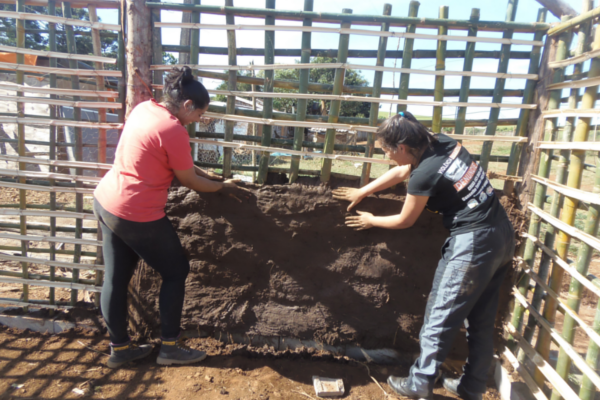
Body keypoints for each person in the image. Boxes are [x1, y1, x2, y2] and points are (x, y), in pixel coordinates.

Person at [332, 111, 515, 400]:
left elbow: (405, 220)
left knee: (439, 316)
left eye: (386, 151)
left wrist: (370, 221)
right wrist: (363, 190)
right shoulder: (440, 143)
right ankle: (473, 386)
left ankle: (419, 383)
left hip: (473, 244)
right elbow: (405, 171)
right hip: (501, 234)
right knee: (480, 319)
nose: (386, 156)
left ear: (402, 147)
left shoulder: (426, 173)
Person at [94, 66, 244, 368]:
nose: (198, 120)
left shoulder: (145, 109)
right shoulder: (173, 129)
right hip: (137, 212)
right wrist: (221, 187)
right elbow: (189, 180)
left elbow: (175, 163)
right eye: (199, 114)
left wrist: (208, 174)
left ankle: (120, 350)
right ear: (188, 105)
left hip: (107, 200)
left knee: (116, 277)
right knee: (176, 271)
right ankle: (170, 348)